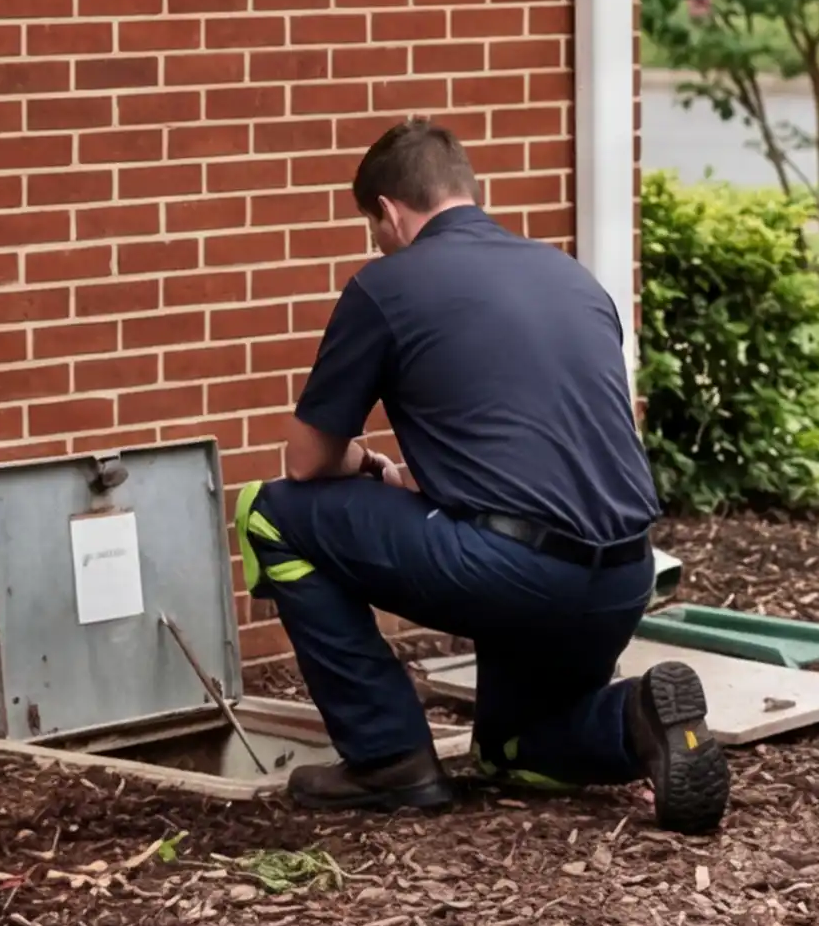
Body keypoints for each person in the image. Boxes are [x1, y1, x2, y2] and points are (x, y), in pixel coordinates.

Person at [250, 120, 724, 830]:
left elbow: (307, 461)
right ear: (467, 190)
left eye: (373, 227)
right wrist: (440, 485)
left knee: (270, 512)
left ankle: (389, 759)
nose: (377, 242)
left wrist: (373, 467)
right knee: (515, 751)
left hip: (509, 570)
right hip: (623, 574)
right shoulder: (572, 277)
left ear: (388, 211)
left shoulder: (388, 284)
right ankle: (639, 719)